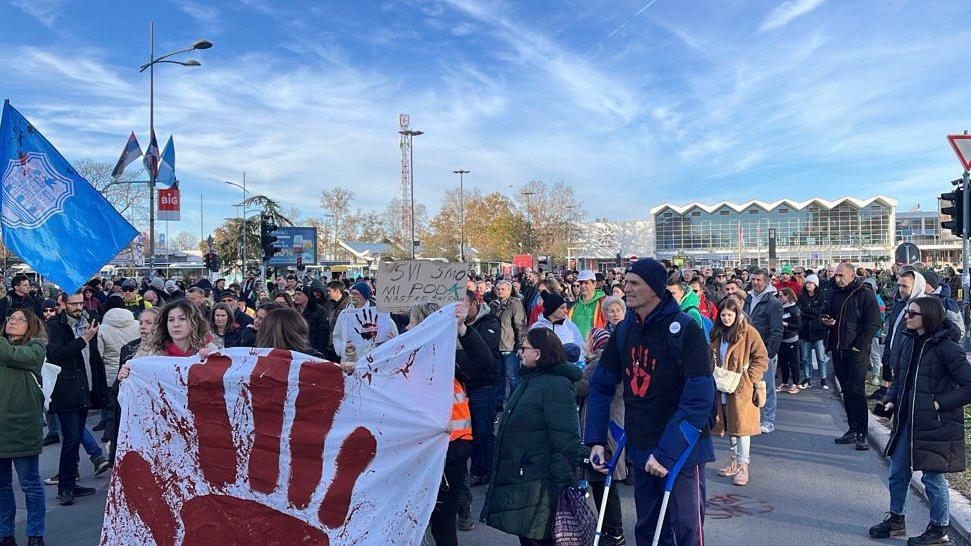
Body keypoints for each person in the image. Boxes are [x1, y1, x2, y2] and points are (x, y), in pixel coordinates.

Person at [586, 258, 714, 546]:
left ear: (654, 288)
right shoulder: (624, 330)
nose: (625, 289)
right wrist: (596, 439)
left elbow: (700, 397)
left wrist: (667, 453)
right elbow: (601, 384)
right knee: (648, 531)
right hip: (642, 445)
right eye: (626, 282)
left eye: (634, 283)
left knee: (687, 531)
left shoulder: (686, 329)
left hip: (681, 451)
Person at [869, 297, 971, 545]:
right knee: (897, 472)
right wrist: (891, 400)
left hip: (937, 425)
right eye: (907, 312)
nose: (907, 317)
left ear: (928, 316)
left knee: (933, 479)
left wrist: (938, 403)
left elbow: (968, 387)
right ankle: (896, 520)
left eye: (912, 313)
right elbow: (901, 378)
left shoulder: (948, 348)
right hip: (907, 420)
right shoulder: (909, 340)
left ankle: (939, 529)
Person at [481, 327, 582, 546]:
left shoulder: (555, 386)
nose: (520, 352)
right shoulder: (531, 380)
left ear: (539, 353)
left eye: (524, 348)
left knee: (540, 538)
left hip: (539, 481)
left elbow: (566, 438)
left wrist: (563, 480)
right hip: (526, 475)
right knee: (529, 536)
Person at [409, 301, 492, 545]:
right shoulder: (403, 359)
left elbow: (484, 362)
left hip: (450, 450)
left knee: (443, 524)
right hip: (418, 451)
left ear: (425, 327)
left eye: (412, 322)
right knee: (413, 522)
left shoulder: (449, 360)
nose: (407, 327)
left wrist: (462, 327)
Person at [46, 290, 110, 506]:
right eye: (73, 303)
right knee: (71, 439)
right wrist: (84, 339)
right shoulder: (55, 326)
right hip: (65, 389)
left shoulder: (89, 321)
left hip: (85, 385)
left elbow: (94, 356)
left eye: (81, 303)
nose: (78, 307)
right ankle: (65, 486)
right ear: (63, 304)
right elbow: (56, 354)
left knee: (75, 437)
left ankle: (71, 483)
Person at [0, 309, 48, 546]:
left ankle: (35, 534)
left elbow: (10, 355)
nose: (13, 321)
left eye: (20, 319)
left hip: (23, 427)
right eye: (11, 318)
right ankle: (5, 533)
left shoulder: (36, 349)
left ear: (30, 326)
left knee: (30, 484)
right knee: (2, 486)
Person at [576, 327, 627, 545]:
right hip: (607, 426)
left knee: (603, 481)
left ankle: (613, 531)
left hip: (603, 430)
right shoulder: (599, 361)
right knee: (602, 481)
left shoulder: (599, 362)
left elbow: (582, 388)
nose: (585, 343)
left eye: (588, 339)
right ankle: (610, 529)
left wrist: (568, 372)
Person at [823, 262, 881, 451]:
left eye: (841, 275)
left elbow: (873, 322)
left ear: (851, 275)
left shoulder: (864, 293)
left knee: (856, 391)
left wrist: (859, 345)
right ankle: (852, 428)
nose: (837, 279)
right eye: (836, 275)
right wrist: (827, 321)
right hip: (838, 348)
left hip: (856, 351)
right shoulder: (833, 292)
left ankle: (862, 433)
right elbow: (828, 314)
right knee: (846, 391)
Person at [710, 297, 768, 487]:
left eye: (730, 315)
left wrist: (750, 378)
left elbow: (761, 357)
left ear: (737, 315)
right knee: (729, 425)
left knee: (743, 428)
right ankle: (734, 460)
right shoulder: (717, 332)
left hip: (742, 387)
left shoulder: (749, 333)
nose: (726, 318)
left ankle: (743, 464)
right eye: (723, 315)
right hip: (722, 384)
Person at [744, 269, 783, 434]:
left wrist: (769, 353)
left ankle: (768, 420)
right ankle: (752, 418)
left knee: (767, 386)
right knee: (748, 385)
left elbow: (776, 330)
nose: (755, 283)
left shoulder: (773, 303)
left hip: (764, 351)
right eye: (753, 279)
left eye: (759, 280)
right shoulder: (748, 298)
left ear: (766, 281)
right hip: (747, 349)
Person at [95, 296, 140, 437]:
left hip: (110, 371)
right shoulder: (137, 324)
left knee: (111, 402)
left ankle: (108, 431)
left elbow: (98, 352)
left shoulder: (102, 328)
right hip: (132, 369)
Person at [490, 280, 527, 402]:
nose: (500, 291)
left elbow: (520, 326)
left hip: (509, 346)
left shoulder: (515, 304)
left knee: (512, 376)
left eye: (503, 289)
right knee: (498, 376)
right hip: (495, 346)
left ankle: (514, 401)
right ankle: (499, 401)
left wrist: (521, 345)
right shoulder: (493, 305)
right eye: (498, 289)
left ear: (509, 290)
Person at [797, 274, 830, 389]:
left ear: (816, 284)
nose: (808, 285)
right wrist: (811, 312)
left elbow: (820, 310)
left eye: (811, 283)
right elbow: (799, 311)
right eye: (807, 283)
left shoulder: (821, 296)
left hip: (818, 331)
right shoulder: (801, 296)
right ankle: (807, 379)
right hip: (805, 330)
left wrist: (808, 311)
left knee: (821, 357)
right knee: (805, 358)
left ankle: (823, 380)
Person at [254, 308, 322, 357]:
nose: (257, 321)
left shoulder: (313, 360)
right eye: (256, 317)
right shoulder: (314, 358)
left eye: (261, 319)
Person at [293, 287, 337, 361]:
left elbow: (323, 333)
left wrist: (319, 351)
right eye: (295, 294)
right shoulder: (292, 310)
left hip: (312, 349)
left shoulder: (318, 310)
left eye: (299, 294)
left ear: (307, 295)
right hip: (295, 349)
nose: (296, 296)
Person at [776, 287, 803, 394]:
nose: (779, 298)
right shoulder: (781, 307)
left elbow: (798, 326)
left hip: (791, 339)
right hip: (782, 339)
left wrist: (785, 323)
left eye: (781, 296)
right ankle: (784, 382)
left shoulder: (794, 309)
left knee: (793, 362)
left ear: (787, 296)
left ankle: (796, 384)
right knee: (783, 362)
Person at [569, 270, 607, 339]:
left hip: (597, 347)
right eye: (581, 283)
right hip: (577, 347)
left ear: (594, 284)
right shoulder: (574, 306)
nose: (583, 286)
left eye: (586, 283)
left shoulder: (604, 302)